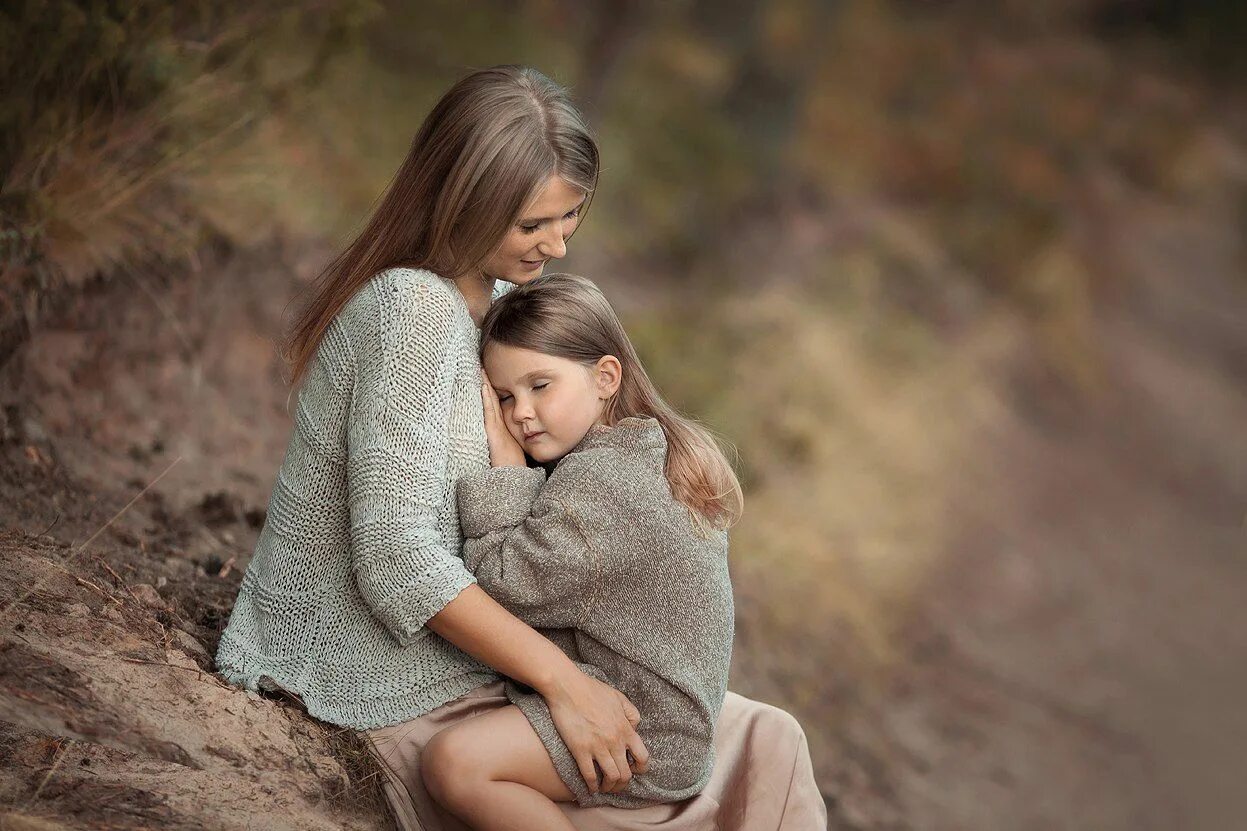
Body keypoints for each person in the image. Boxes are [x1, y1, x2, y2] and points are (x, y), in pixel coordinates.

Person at [213, 64, 826, 830]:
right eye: (533, 225)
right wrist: (566, 684)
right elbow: (396, 556)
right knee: (670, 763)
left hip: (495, 647)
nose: (559, 245)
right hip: (380, 666)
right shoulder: (409, 310)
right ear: (462, 202)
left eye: (569, 219)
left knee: (761, 737)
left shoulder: (506, 316)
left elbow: (569, 505)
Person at [420, 274, 739, 828]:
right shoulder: (646, 448)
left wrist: (504, 470)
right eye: (503, 397)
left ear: (605, 376)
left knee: (456, 764)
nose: (520, 413)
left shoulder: (603, 483)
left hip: (642, 731)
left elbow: (504, 584)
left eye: (539, 386)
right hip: (672, 714)